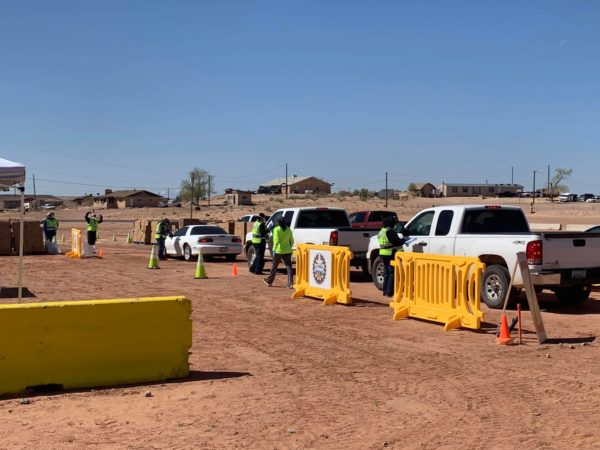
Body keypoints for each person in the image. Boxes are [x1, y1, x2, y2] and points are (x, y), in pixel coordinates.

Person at [377, 215, 408, 298]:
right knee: (392, 273)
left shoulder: (381, 231)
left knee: (386, 273)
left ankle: (385, 291)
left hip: (383, 253)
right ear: (390, 224)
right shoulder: (390, 231)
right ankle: (389, 292)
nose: (394, 225)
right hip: (390, 253)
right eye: (393, 223)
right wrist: (404, 240)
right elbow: (396, 242)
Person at [264, 217, 294, 288]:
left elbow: (276, 241)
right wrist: (289, 247)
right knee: (289, 267)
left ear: (278, 223)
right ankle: (290, 283)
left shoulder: (276, 229)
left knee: (274, 266)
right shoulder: (288, 229)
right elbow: (292, 241)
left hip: (279, 250)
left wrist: (274, 250)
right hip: (288, 250)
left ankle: (269, 281)